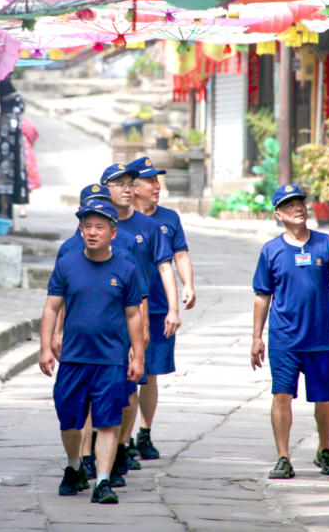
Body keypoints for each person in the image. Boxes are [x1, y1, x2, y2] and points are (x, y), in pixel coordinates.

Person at [39, 201, 145, 504]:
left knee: (108, 422)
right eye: (87, 226)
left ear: (113, 232)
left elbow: (134, 316)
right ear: (80, 230)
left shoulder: (126, 269)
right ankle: (73, 467)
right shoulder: (67, 264)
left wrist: (137, 355)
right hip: (73, 358)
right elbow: (51, 308)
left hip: (111, 359)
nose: (92, 232)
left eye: (99, 227)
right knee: (69, 420)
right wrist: (46, 346)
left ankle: (102, 481)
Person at [251, 184, 329, 479]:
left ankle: (324, 450)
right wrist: (256, 337)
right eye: (289, 205)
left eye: (299, 203)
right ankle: (283, 457)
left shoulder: (325, 244)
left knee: (324, 398)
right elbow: (262, 296)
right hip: (284, 339)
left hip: (320, 338)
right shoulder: (271, 251)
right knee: (281, 396)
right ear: (278, 215)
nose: (297, 208)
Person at [101, 163, 180, 461]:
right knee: (110, 380)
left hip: (146, 311)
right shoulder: (99, 224)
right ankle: (97, 447)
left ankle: (128, 442)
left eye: (129, 183)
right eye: (120, 184)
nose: (127, 188)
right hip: (107, 317)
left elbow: (166, 265)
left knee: (141, 378)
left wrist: (173, 307)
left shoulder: (150, 227)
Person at [127, 156, 196, 459]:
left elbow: (179, 256)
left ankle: (144, 433)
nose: (157, 186)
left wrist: (187, 286)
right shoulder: (119, 220)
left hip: (156, 307)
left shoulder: (168, 218)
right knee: (127, 374)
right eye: (150, 180)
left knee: (151, 373)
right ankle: (120, 439)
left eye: (158, 180)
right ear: (134, 187)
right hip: (127, 309)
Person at [0, 77, 29, 221]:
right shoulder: (6, 90)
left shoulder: (7, 113)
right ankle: (3, 212)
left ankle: (5, 212)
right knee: (4, 181)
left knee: (7, 180)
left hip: (11, 152)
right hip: (6, 155)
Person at [19, 114, 41, 218]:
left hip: (13, 154)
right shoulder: (28, 122)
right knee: (25, 182)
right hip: (27, 152)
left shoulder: (9, 120)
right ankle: (22, 209)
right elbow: (35, 137)